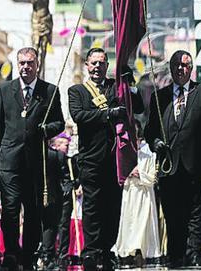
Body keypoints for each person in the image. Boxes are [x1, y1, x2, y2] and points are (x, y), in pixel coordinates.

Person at [144, 51, 201, 268]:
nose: (181, 68)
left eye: (185, 65)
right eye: (177, 65)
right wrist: (156, 143)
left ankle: (194, 253)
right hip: (169, 167)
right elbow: (149, 131)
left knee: (196, 212)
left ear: (191, 68)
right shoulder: (159, 98)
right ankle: (176, 253)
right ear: (171, 68)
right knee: (172, 213)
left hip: (196, 164)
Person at [0, 47, 64, 270]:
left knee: (33, 211)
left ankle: (29, 253)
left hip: (35, 163)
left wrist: (46, 129)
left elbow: (58, 122)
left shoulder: (49, 91)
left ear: (37, 65)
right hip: (9, 161)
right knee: (10, 209)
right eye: (21, 63)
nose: (25, 67)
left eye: (30, 63)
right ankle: (11, 251)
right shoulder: (5, 90)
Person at [68, 48, 123, 270]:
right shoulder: (77, 91)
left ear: (107, 65)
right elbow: (79, 116)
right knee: (92, 207)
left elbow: (133, 107)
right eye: (93, 63)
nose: (98, 67)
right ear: (87, 65)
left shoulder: (115, 87)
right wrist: (108, 114)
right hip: (91, 158)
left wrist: (129, 82)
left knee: (113, 206)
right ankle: (91, 251)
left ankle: (107, 249)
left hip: (114, 158)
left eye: (102, 63)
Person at [112, 133, 161, 267]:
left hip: (144, 193)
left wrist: (140, 174)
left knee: (143, 221)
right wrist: (128, 173)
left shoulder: (149, 152)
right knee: (129, 221)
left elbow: (153, 178)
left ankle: (145, 251)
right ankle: (127, 251)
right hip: (130, 192)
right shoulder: (126, 150)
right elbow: (120, 172)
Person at [40, 134, 70, 270]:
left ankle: (47, 254)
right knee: (45, 226)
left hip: (53, 195)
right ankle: (41, 253)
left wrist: (67, 186)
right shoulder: (32, 155)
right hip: (39, 195)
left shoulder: (57, 156)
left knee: (51, 226)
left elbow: (65, 177)